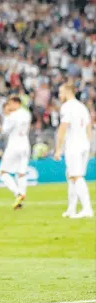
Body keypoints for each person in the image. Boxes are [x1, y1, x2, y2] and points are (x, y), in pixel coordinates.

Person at [54, 83, 94, 218]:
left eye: (60, 92)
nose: (59, 95)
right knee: (71, 175)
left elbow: (63, 128)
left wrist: (58, 149)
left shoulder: (67, 107)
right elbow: (89, 127)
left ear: (67, 92)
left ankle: (87, 209)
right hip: (84, 144)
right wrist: (89, 144)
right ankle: (72, 208)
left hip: (74, 145)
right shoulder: (82, 107)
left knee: (76, 176)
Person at [0, 97, 31, 209]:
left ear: (15, 103)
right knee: (22, 172)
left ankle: (17, 192)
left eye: (10, 103)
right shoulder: (27, 114)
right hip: (25, 144)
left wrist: (7, 115)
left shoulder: (13, 116)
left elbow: (4, 130)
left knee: (3, 172)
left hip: (14, 145)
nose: (9, 106)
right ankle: (20, 198)